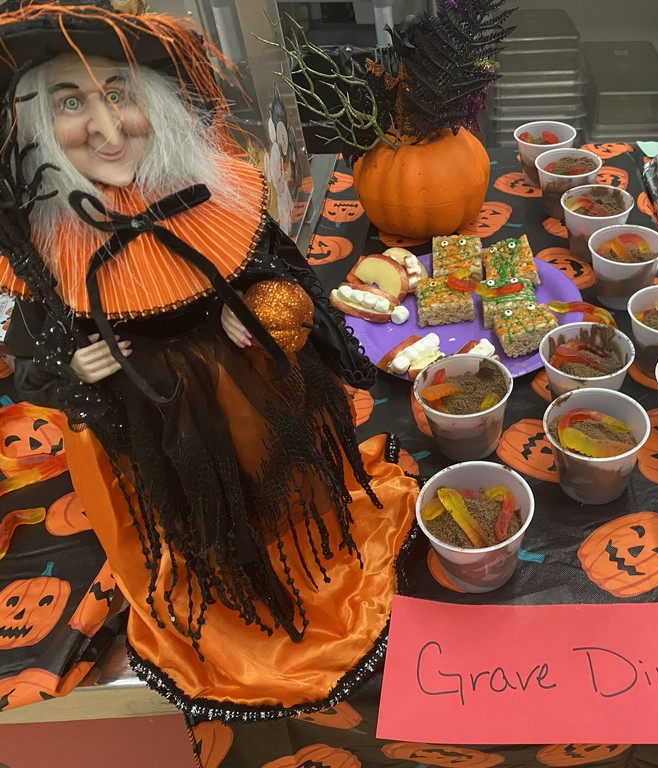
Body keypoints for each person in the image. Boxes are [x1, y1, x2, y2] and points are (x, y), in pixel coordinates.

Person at [0, 0, 417, 720]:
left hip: (254, 405)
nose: (105, 128)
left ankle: (295, 565)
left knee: (283, 497)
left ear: (151, 102)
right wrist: (78, 373)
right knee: (203, 533)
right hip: (158, 440)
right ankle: (230, 584)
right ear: (37, 126)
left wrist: (265, 310)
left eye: (118, 94)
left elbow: (296, 292)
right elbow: (32, 361)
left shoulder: (216, 194)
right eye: (70, 101)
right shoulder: (47, 251)